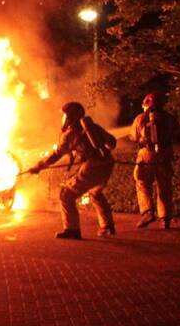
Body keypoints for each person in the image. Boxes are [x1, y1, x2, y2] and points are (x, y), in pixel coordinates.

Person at [27, 101, 118, 239]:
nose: (63, 119)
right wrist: (100, 151)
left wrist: (38, 167)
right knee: (95, 192)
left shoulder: (69, 134)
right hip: (107, 163)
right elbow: (112, 142)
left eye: (64, 115)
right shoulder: (94, 127)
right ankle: (107, 226)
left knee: (66, 194)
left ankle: (72, 230)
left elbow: (56, 155)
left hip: (92, 165)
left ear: (69, 117)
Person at [130, 93, 177, 229]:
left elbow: (133, 136)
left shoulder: (140, 118)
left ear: (147, 103)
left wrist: (138, 139)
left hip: (146, 155)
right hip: (165, 155)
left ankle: (148, 212)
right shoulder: (169, 118)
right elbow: (178, 133)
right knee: (164, 187)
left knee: (142, 183)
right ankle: (165, 219)